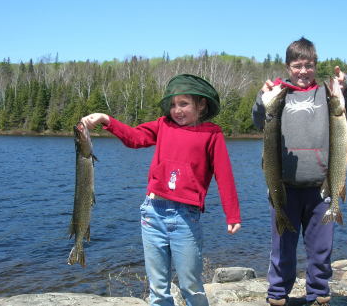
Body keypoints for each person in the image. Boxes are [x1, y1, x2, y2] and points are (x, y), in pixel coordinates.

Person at [81, 74, 242, 306]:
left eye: (184, 104)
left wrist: (232, 214)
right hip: (152, 211)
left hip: (186, 216)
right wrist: (107, 120)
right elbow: (134, 138)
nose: (177, 110)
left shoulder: (212, 133)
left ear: (201, 104)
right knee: (158, 288)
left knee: (191, 285)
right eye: (173, 104)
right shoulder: (163, 125)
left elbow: (224, 175)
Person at [252, 37, 347, 306]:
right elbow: (260, 119)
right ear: (287, 66)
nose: (303, 71)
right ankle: (278, 294)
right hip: (284, 186)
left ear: (315, 65)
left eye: (309, 65)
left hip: (321, 188)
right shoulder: (279, 95)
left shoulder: (327, 97)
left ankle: (318, 294)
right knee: (282, 248)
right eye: (297, 65)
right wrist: (262, 98)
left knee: (320, 248)